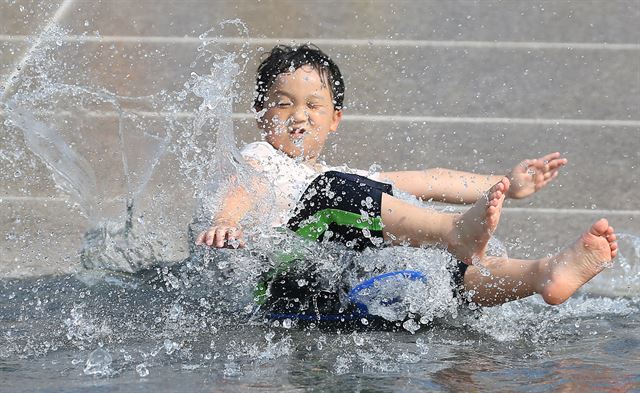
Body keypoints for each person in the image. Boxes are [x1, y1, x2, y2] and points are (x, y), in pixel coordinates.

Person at [196, 44, 617, 309]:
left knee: (434, 272)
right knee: (334, 194)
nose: (299, 117)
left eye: (314, 106)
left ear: (335, 119)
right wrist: (225, 220)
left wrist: (506, 183)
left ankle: (541, 274)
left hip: (327, 298)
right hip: (275, 286)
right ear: (260, 114)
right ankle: (454, 232)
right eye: (283, 104)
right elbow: (242, 186)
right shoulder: (262, 157)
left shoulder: (338, 176)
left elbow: (428, 180)